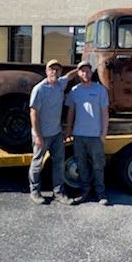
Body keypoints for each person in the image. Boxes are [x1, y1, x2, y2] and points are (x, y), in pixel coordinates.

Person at [28, 59, 77, 205]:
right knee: (37, 164)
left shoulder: (60, 84)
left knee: (59, 164)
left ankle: (59, 192)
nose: (54, 72)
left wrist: (81, 66)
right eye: (51, 69)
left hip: (56, 134)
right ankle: (35, 192)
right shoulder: (39, 89)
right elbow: (33, 113)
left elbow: (70, 76)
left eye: (57, 69)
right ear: (46, 71)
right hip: (42, 134)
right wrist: (37, 135)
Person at [65, 60, 109, 205]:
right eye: (82, 71)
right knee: (81, 164)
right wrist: (69, 130)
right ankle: (85, 191)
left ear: (91, 72)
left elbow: (105, 113)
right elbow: (71, 112)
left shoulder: (100, 90)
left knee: (98, 165)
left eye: (88, 70)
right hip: (79, 135)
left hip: (95, 136)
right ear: (78, 73)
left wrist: (103, 134)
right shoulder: (74, 91)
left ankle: (100, 194)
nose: (85, 73)